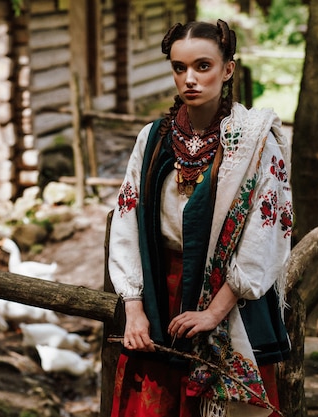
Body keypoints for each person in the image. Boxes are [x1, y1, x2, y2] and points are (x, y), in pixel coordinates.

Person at [108, 19, 293, 417]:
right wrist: (135, 308)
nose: (189, 78)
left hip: (228, 298)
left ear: (228, 69)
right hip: (161, 294)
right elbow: (127, 216)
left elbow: (268, 231)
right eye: (179, 68)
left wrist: (213, 311)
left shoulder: (256, 142)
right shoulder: (153, 137)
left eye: (202, 66)